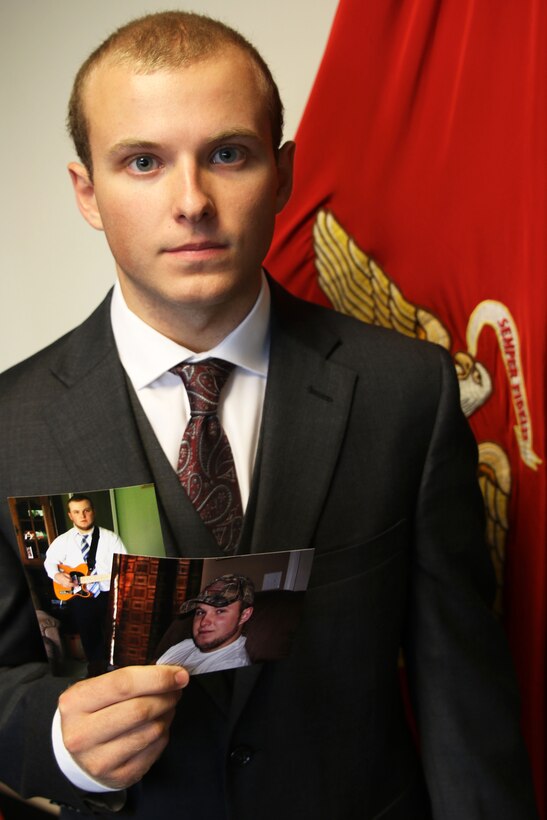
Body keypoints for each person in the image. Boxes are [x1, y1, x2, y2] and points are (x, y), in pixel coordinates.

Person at [0, 10, 538, 820]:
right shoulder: (10, 425)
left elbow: (462, 699)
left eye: (227, 154)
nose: (191, 202)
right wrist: (50, 737)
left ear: (282, 173)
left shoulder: (406, 394)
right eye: (142, 161)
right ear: (87, 192)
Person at [44, 494, 127, 672]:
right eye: (77, 512)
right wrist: (57, 576)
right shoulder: (62, 541)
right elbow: (49, 562)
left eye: (86, 510)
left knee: (114, 633)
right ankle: (96, 669)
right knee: (89, 635)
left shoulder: (111, 538)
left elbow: (125, 564)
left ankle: (117, 667)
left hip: (108, 593)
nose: (82, 516)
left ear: (93, 512)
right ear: (70, 515)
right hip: (79, 596)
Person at [156, 575, 255, 674]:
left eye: (220, 611)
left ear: (244, 615)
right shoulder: (186, 645)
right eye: (200, 612)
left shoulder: (230, 664)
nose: (203, 622)